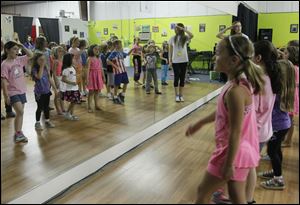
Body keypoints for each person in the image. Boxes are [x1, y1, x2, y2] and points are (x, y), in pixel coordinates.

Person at [185, 35, 265, 203]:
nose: (215, 56)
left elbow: (235, 132)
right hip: (240, 152)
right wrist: (200, 123)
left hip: (231, 153)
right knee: (237, 197)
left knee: (202, 193)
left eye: (219, 52)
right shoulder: (235, 85)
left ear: (233, 60)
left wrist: (229, 164)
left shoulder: (236, 91)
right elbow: (223, 113)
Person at [245, 40, 280, 204]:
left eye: (251, 55)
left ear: (258, 58)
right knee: (249, 166)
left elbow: (255, 112)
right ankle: (247, 198)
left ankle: (246, 198)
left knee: (246, 168)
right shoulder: (269, 77)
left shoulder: (260, 80)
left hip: (255, 133)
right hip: (263, 131)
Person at [259, 60, 295, 190]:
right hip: (283, 125)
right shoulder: (285, 87)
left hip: (278, 126)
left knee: (272, 151)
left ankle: (278, 179)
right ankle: (276, 172)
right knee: (276, 149)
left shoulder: (278, 89)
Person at [1, 41, 33, 143]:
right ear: (7, 50)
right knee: (20, 111)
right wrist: (6, 96)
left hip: (22, 90)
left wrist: (22, 46)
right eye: (14, 49)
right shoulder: (5, 64)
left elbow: (31, 55)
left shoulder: (19, 60)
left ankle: (18, 133)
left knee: (20, 114)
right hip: (12, 91)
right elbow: (4, 81)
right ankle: (18, 133)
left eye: (17, 49)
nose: (17, 51)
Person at [31, 53, 58, 130]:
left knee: (46, 107)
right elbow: (39, 77)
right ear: (36, 61)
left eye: (44, 60)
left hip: (46, 91)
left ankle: (47, 121)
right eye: (41, 60)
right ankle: (37, 123)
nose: (43, 61)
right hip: (39, 93)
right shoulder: (34, 69)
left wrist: (55, 89)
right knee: (39, 107)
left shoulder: (46, 68)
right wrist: (42, 66)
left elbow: (50, 78)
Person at [169, 23, 194, 102]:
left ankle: (181, 95)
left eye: (177, 28)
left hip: (184, 60)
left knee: (182, 78)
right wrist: (170, 60)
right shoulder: (172, 38)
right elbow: (170, 50)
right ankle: (176, 95)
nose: (175, 30)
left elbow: (192, 35)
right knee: (176, 77)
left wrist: (183, 29)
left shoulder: (185, 37)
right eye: (175, 28)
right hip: (175, 61)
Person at [281, 46, 299, 147]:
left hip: (290, 95)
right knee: (287, 117)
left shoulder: (292, 68)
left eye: (286, 53)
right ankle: (285, 137)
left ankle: (288, 141)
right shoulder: (293, 67)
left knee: (289, 118)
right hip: (291, 94)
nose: (284, 54)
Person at [107, 40, 129, 105]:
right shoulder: (114, 52)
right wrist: (115, 66)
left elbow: (127, 54)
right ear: (116, 45)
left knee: (126, 82)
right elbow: (108, 61)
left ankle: (122, 94)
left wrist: (133, 49)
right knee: (116, 85)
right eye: (120, 43)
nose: (121, 44)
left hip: (123, 70)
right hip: (117, 72)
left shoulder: (120, 52)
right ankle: (115, 97)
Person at [62, 53, 81, 120]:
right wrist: (72, 83)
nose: (74, 60)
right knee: (73, 101)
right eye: (72, 59)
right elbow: (63, 79)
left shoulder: (72, 67)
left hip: (75, 88)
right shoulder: (66, 70)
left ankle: (71, 114)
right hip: (70, 88)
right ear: (69, 60)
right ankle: (67, 113)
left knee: (74, 101)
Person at [86, 44, 105, 112]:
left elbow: (101, 68)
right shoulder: (89, 58)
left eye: (98, 49)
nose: (97, 50)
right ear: (91, 50)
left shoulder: (99, 58)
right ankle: (89, 106)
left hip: (98, 75)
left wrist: (103, 76)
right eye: (95, 49)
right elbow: (87, 70)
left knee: (97, 91)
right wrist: (87, 79)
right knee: (91, 92)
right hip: (92, 76)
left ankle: (96, 105)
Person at [52, 46, 66, 115]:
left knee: (62, 94)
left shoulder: (62, 60)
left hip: (62, 78)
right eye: (59, 51)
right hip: (57, 78)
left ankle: (63, 107)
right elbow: (54, 72)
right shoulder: (56, 61)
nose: (61, 52)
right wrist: (56, 81)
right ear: (56, 53)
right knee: (57, 95)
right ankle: (58, 109)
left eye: (62, 51)